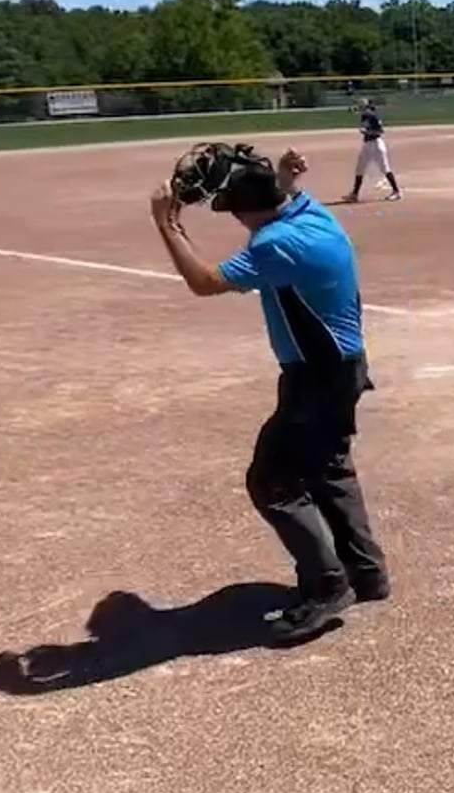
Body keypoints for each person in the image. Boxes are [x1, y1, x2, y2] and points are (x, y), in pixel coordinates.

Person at [148, 146, 390, 645]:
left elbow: (204, 282)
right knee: (329, 468)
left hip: (315, 377)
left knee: (273, 481)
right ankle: (366, 573)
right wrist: (282, 178)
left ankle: (327, 587)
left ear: (241, 210)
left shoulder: (276, 244)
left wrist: (167, 224)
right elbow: (285, 197)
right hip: (342, 368)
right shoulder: (309, 214)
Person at [342, 99, 401, 203]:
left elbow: (380, 131)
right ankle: (354, 195)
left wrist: (368, 132)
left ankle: (396, 192)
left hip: (376, 144)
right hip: (367, 144)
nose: (360, 109)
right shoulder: (364, 116)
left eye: (361, 107)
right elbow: (354, 112)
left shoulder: (373, 116)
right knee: (360, 169)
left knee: (385, 168)